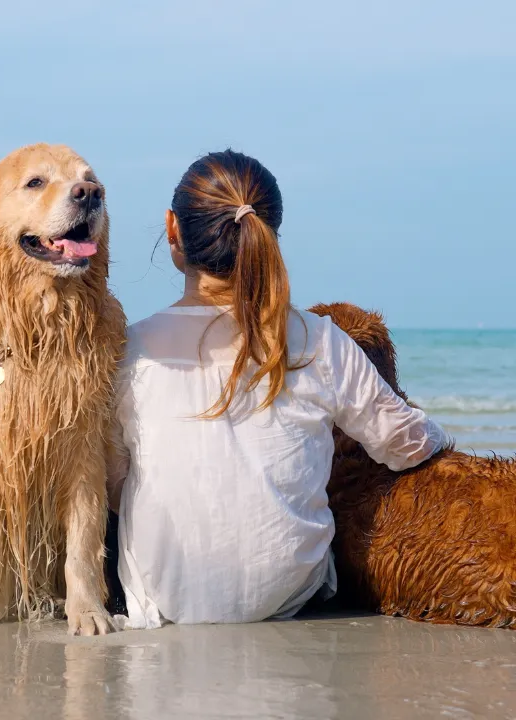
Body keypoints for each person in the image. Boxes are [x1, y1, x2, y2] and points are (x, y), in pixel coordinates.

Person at [106, 150, 450, 628]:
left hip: (165, 602)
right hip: (289, 592)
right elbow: (406, 445)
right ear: (270, 235)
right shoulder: (320, 339)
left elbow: (114, 485)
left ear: (172, 229)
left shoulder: (131, 349)